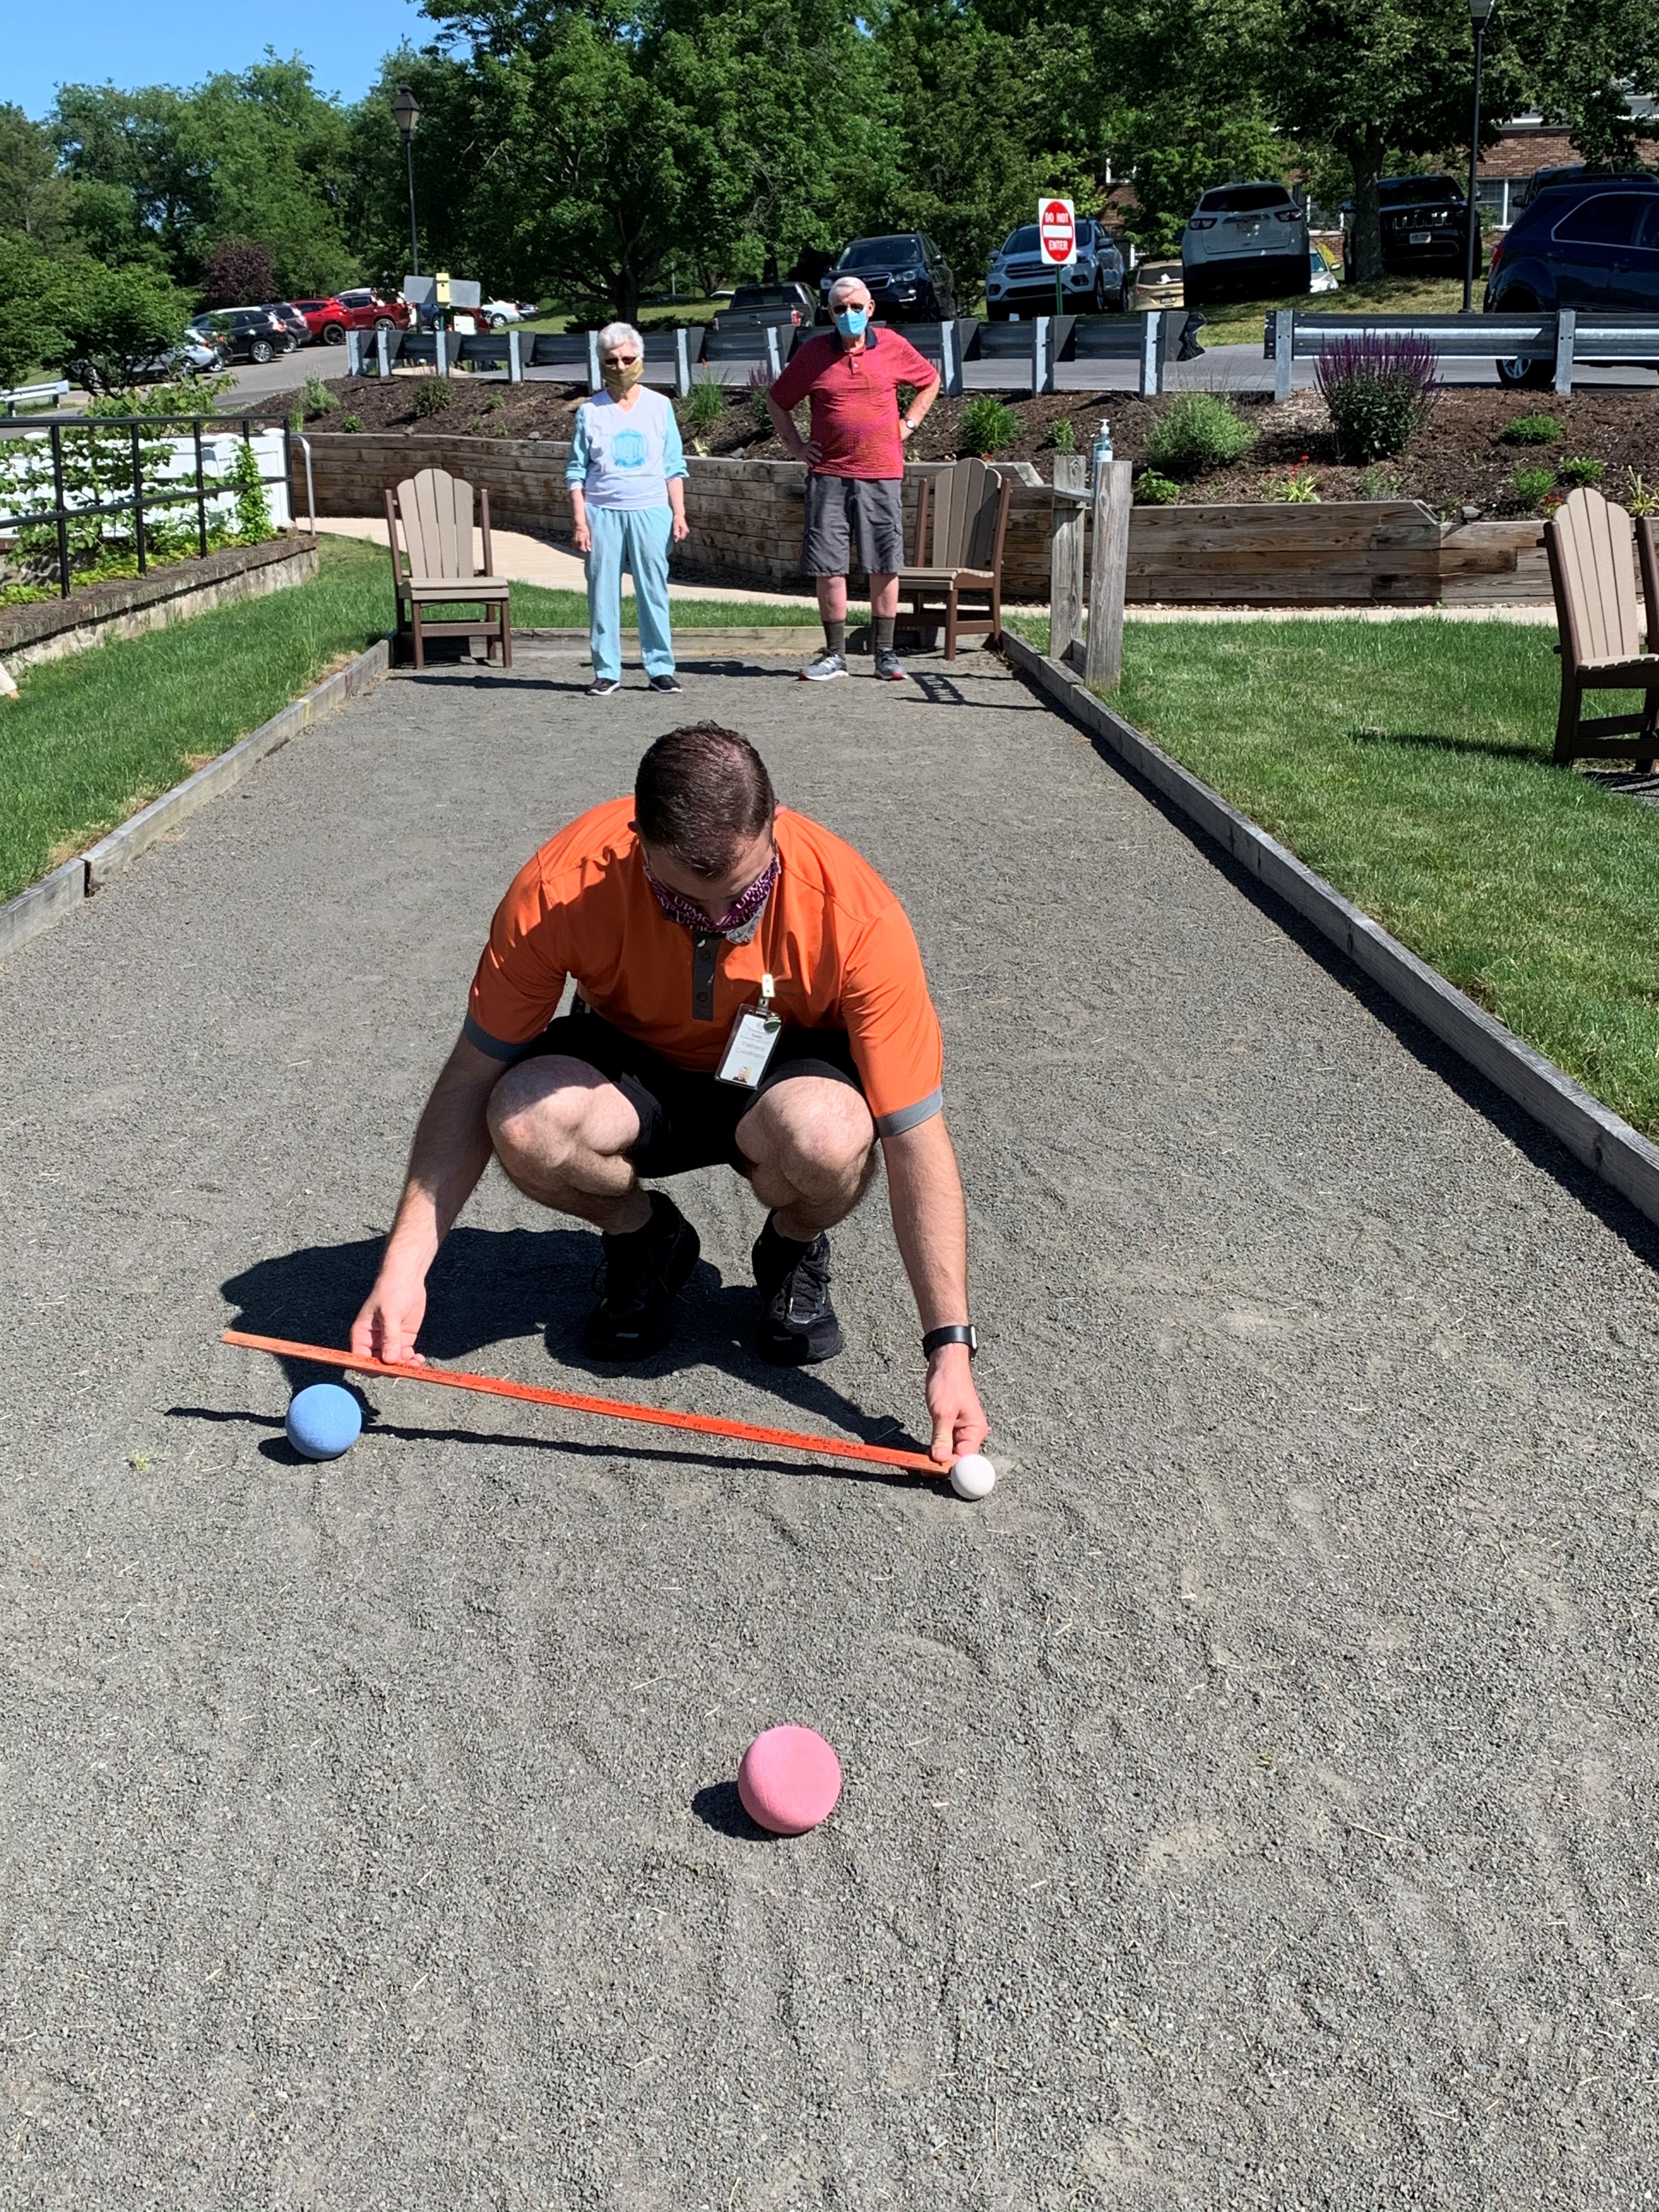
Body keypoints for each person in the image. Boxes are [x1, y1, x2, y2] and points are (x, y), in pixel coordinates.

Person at [351, 723, 989, 1468]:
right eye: (686, 904)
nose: (721, 923)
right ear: (637, 842)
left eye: (743, 895)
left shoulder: (858, 915)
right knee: (523, 1119)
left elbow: (916, 1140)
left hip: (777, 1076)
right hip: (634, 1065)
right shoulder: (562, 888)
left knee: (830, 1137)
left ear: (774, 823)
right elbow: (468, 1078)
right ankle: (645, 1237)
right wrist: (403, 1267)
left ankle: (790, 1246)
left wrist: (950, 1349)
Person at [765, 274, 941, 685]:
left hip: (881, 473)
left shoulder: (893, 346)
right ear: (829, 313)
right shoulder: (813, 354)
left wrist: (908, 422)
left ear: (871, 309)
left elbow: (930, 381)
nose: (849, 315)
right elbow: (778, 400)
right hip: (828, 475)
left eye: (856, 307)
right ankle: (835, 655)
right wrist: (796, 447)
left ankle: (885, 654)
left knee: (884, 562)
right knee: (829, 566)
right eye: (840, 309)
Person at [568, 321, 689, 698]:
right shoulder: (590, 412)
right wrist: (580, 521)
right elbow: (576, 472)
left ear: (640, 359)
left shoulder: (660, 406)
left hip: (652, 511)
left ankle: (660, 668)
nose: (619, 367)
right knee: (602, 593)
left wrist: (679, 512)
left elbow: (674, 466)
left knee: (654, 591)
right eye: (611, 360)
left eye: (626, 359)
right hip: (602, 513)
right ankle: (607, 670)